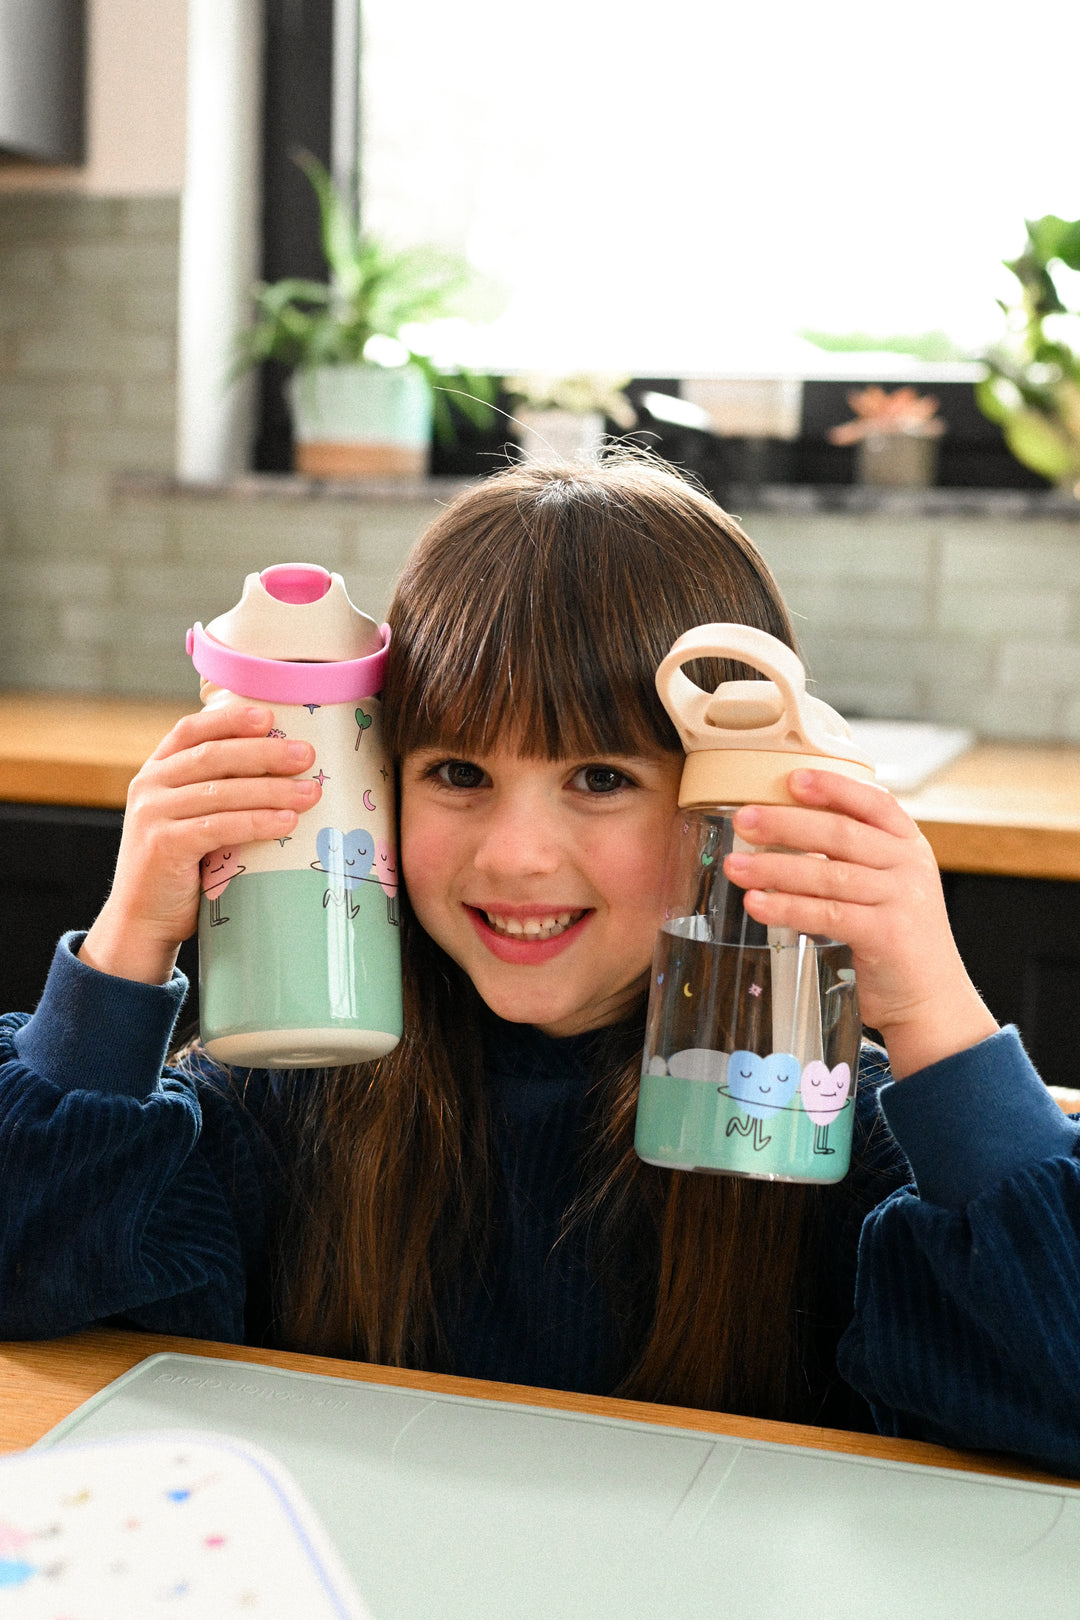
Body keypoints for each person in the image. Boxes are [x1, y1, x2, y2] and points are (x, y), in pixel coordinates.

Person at [2, 454, 1078, 1475]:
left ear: (729, 799)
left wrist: (936, 1013)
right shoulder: (292, 1085)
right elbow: (24, 1261)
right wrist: (127, 941)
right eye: (459, 771)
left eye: (601, 779)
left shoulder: (814, 1112)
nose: (515, 856)